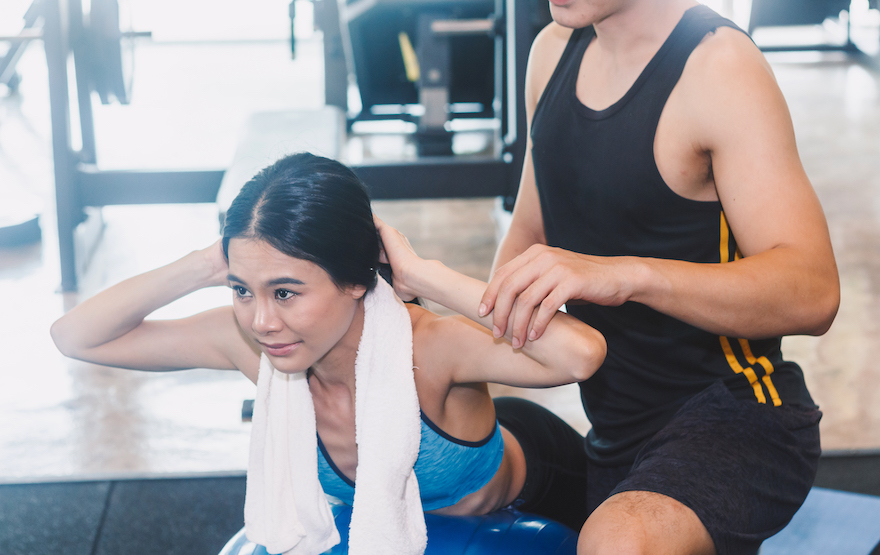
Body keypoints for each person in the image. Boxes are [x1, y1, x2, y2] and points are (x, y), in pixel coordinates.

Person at [478, 1, 840, 555]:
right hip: (613, 434)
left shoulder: (718, 67)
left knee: (620, 550)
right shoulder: (551, 52)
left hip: (738, 417)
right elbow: (529, 232)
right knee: (449, 458)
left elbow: (814, 291)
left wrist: (628, 276)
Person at [49, 152, 605, 535]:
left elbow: (581, 355)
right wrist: (205, 265)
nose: (263, 321)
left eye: (286, 293)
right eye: (243, 290)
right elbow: (75, 337)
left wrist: (421, 275)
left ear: (356, 281)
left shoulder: (430, 348)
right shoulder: (244, 338)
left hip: (535, 498)